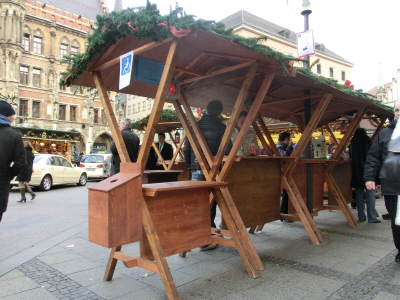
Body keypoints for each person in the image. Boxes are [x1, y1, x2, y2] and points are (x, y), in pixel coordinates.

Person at [184, 100, 232, 251]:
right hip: (215, 169)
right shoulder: (222, 127)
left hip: (196, 169)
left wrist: (190, 166)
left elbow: (186, 148)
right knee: (212, 200)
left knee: (198, 202)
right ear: (219, 112)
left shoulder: (194, 126)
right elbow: (228, 150)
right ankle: (206, 237)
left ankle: (199, 237)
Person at [364, 100, 400, 262]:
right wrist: (370, 177)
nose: (399, 113)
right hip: (393, 187)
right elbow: (373, 158)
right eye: (397, 110)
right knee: (397, 222)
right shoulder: (384, 134)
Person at [0, 101, 27, 221]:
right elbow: (21, 162)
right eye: (11, 116)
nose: (12, 119)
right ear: (5, 115)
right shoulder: (14, 135)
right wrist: (7, 175)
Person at [349, 128, 380, 223]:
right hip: (368, 172)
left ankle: (361, 216)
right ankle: (372, 217)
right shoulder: (369, 144)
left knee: (358, 194)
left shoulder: (352, 145)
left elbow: (350, 157)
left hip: (356, 172)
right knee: (370, 194)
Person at [277, 132, 293, 220]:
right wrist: (290, 147)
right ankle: (284, 213)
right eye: (287, 139)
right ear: (283, 139)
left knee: (287, 193)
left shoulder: (283, 147)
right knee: (285, 193)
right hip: (282, 173)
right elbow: (285, 156)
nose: (289, 141)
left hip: (285, 173)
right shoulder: (279, 147)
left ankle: (285, 213)